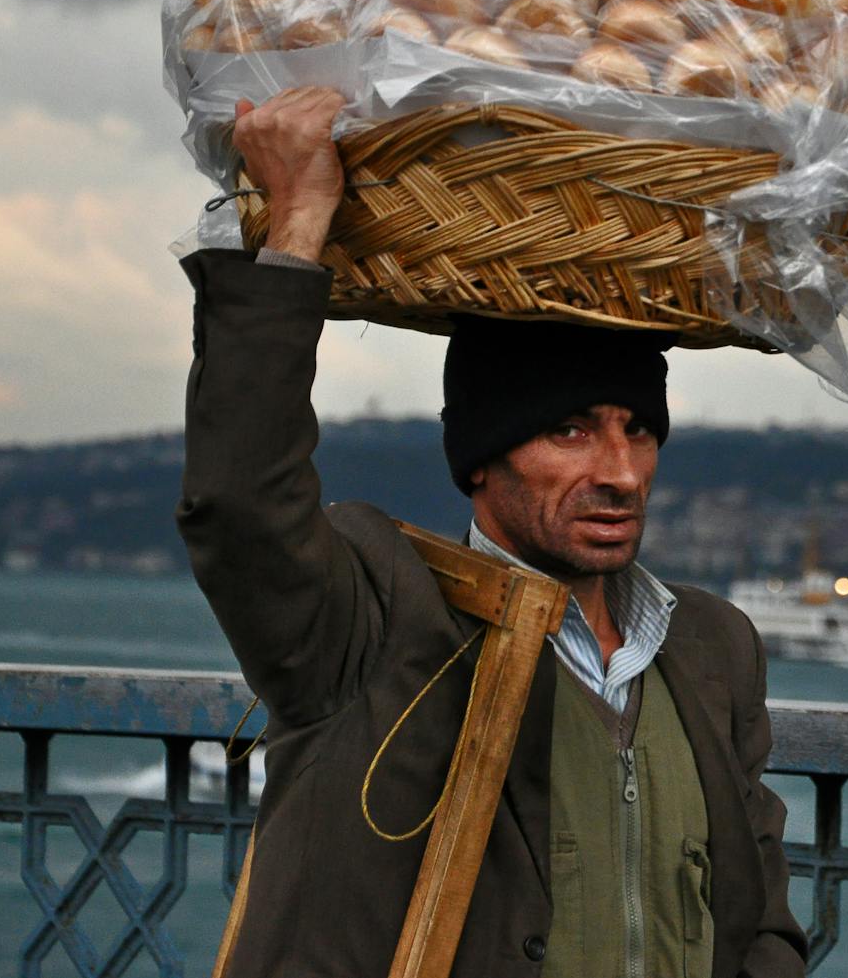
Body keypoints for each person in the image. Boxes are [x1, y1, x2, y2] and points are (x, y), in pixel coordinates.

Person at [177, 87, 806, 977]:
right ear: (480, 458)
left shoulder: (714, 649)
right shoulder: (374, 620)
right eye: (572, 430)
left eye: (639, 429)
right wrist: (299, 222)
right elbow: (239, 505)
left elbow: (759, 922)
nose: (622, 472)